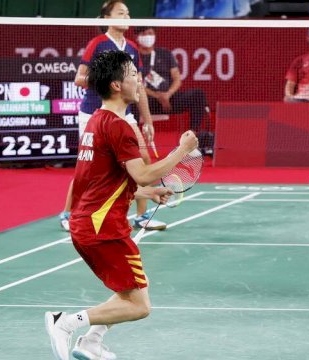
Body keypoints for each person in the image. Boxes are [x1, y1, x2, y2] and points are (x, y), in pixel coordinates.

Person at [45, 50, 199, 360]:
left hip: (87, 224)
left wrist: (148, 192)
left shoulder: (96, 122)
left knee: (132, 288)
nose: (138, 80)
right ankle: (66, 322)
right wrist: (182, 150)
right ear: (116, 85)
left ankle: (91, 343)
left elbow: (103, 183)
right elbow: (141, 172)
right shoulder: (118, 127)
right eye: (132, 75)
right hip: (104, 230)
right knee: (140, 306)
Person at [58, 0, 167, 232]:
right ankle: (68, 212)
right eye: (120, 13)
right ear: (107, 18)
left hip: (124, 114)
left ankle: (141, 215)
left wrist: (147, 120)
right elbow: (79, 78)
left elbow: (139, 86)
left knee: (143, 159)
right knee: (88, 167)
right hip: (94, 113)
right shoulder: (97, 44)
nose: (126, 17)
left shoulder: (132, 49)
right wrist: (108, 80)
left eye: (128, 13)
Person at [134, 26, 214, 154]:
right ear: (137, 37)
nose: (148, 36)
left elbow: (177, 79)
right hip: (147, 101)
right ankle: (134, 143)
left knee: (197, 95)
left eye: (150, 33)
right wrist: (157, 95)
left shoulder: (164, 54)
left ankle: (191, 141)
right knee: (133, 100)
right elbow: (134, 82)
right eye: (144, 33)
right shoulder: (134, 56)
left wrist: (167, 94)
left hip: (170, 99)